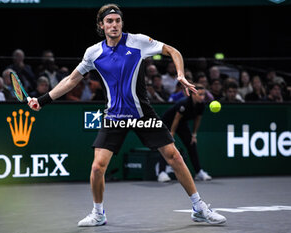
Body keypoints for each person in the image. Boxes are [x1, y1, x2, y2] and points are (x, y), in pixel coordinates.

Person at [28, 3, 226, 227]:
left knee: (175, 157)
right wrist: (43, 100)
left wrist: (180, 74)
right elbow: (72, 80)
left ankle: (199, 208)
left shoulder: (137, 41)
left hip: (142, 114)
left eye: (118, 21)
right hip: (114, 117)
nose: (114, 25)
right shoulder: (93, 53)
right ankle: (98, 213)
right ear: (101, 25)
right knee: (97, 167)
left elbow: (173, 50)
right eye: (109, 21)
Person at [159, 84, 212, 182]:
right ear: (193, 94)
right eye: (200, 94)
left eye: (203, 95)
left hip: (181, 124)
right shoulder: (184, 103)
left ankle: (199, 172)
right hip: (167, 123)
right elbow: (176, 118)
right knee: (167, 147)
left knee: (192, 144)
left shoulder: (201, 105)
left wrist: (194, 135)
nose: (202, 97)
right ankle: (162, 173)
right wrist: (172, 133)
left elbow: (197, 119)